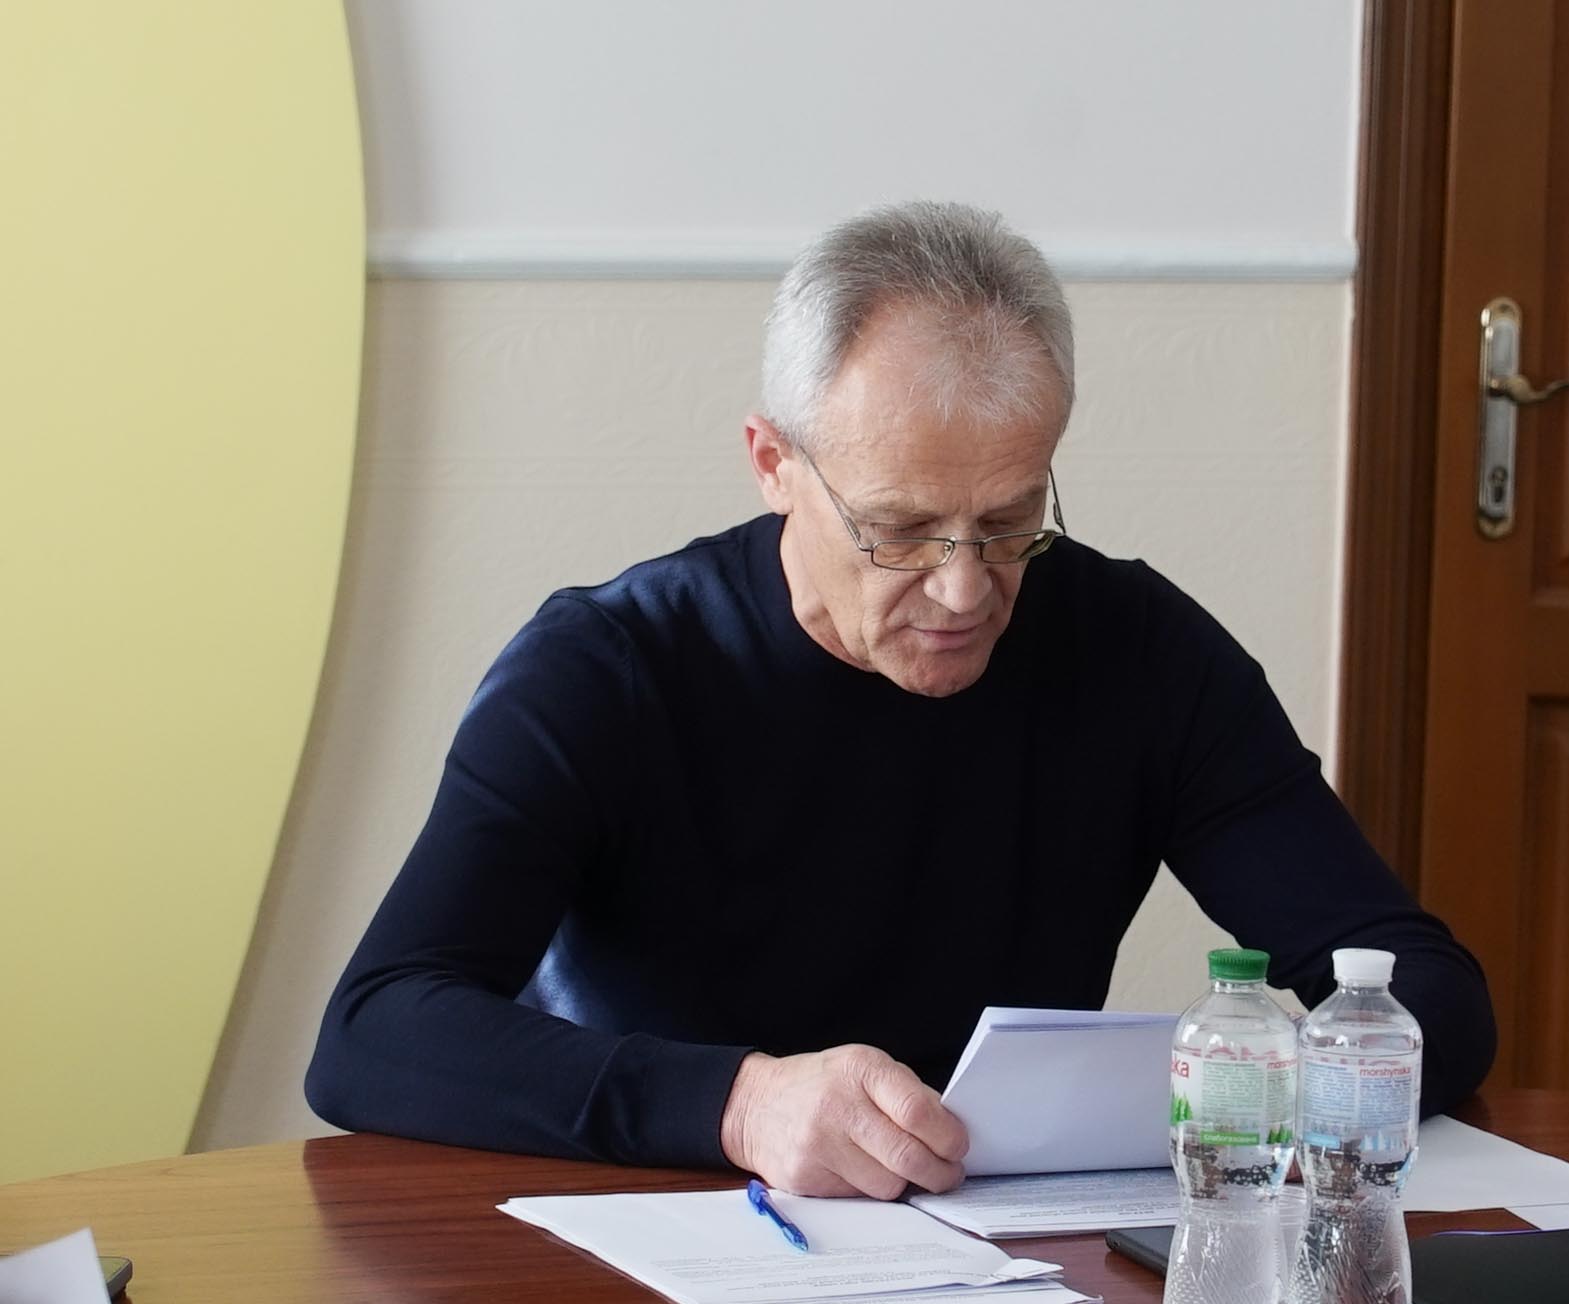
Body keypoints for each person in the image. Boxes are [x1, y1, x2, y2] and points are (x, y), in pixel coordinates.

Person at [305, 200, 1496, 1201]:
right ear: (774, 463)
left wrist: (1275, 1083)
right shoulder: (606, 667)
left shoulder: (1139, 652)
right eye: (900, 529)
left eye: (1011, 519)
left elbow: (1419, 984)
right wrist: (740, 1103)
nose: (965, 588)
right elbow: (377, 1028)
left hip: (997, 1248)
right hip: (655, 1227)